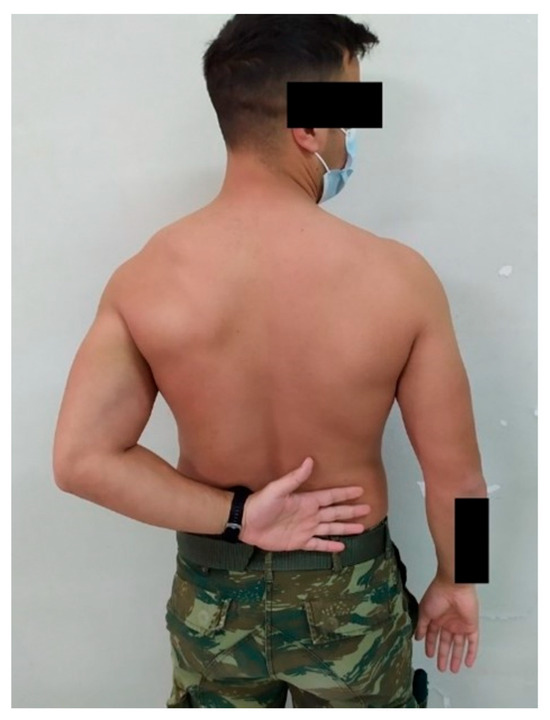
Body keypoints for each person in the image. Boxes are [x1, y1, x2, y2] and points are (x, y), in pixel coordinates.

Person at [52, 14, 487, 708]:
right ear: (307, 129)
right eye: (348, 113)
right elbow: (460, 480)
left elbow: (80, 461)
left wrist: (238, 518)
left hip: (213, 598)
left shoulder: (145, 279)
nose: (350, 137)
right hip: (351, 596)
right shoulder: (400, 279)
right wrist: (462, 579)